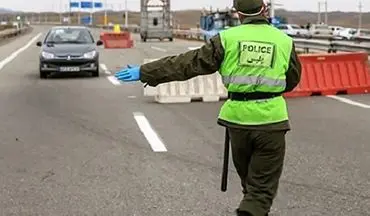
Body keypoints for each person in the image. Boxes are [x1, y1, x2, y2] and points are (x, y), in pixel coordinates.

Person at [115, 0, 302, 215]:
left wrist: (146, 71)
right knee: (260, 191)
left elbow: (187, 64)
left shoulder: (226, 39)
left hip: (238, 122)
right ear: (264, 9)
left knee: (251, 188)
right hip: (271, 122)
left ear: (238, 13)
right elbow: (293, 79)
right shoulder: (284, 41)